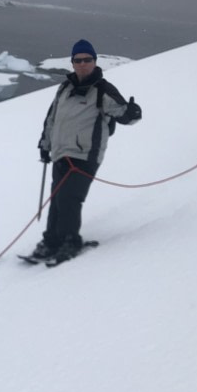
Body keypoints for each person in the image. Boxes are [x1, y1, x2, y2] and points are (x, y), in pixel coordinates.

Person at [35, 39, 142, 262]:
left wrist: (132, 113)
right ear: (72, 63)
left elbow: (123, 113)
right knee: (56, 199)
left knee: (69, 199)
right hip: (60, 153)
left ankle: (70, 241)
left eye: (87, 60)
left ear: (94, 61)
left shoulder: (102, 90)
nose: (83, 64)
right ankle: (51, 241)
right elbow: (52, 119)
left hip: (85, 156)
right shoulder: (64, 88)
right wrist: (45, 146)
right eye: (78, 60)